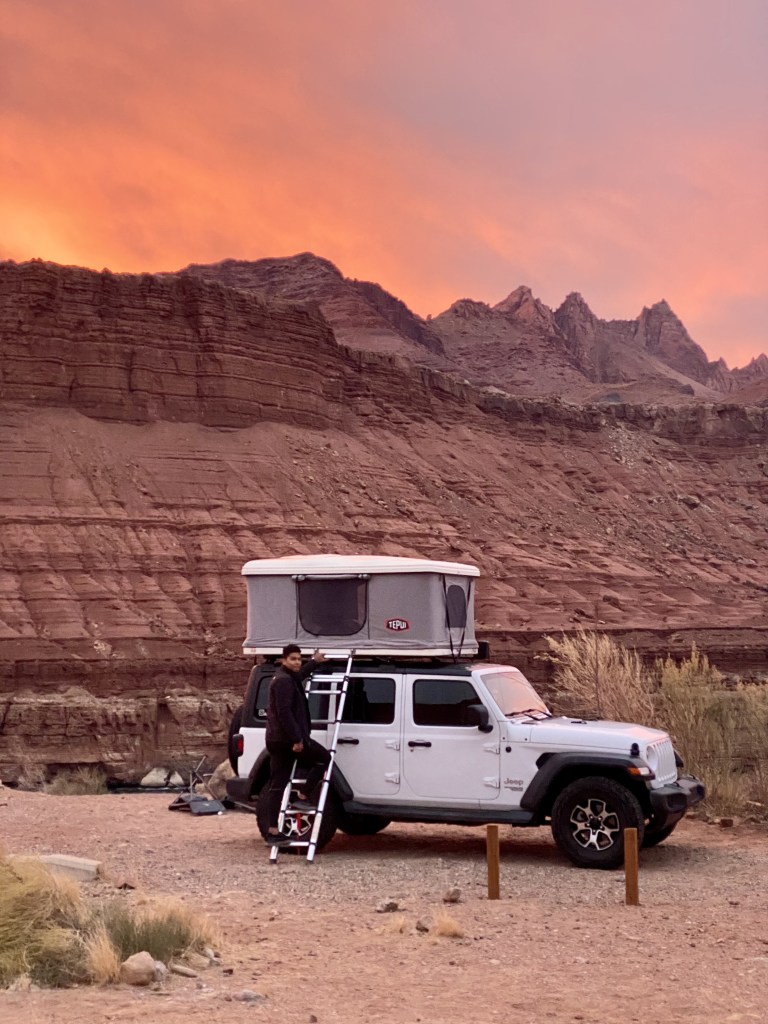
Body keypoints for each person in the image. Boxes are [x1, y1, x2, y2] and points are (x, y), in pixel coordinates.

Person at [264, 644, 331, 845]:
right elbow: (284, 713)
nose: (297, 662)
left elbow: (300, 675)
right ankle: (302, 796)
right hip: (286, 741)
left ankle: (273, 832)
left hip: (278, 739)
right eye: (293, 659)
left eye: (299, 659)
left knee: (277, 785)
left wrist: (314, 662)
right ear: (283, 659)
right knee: (323, 758)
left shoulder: (286, 677)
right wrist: (297, 739)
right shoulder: (283, 681)